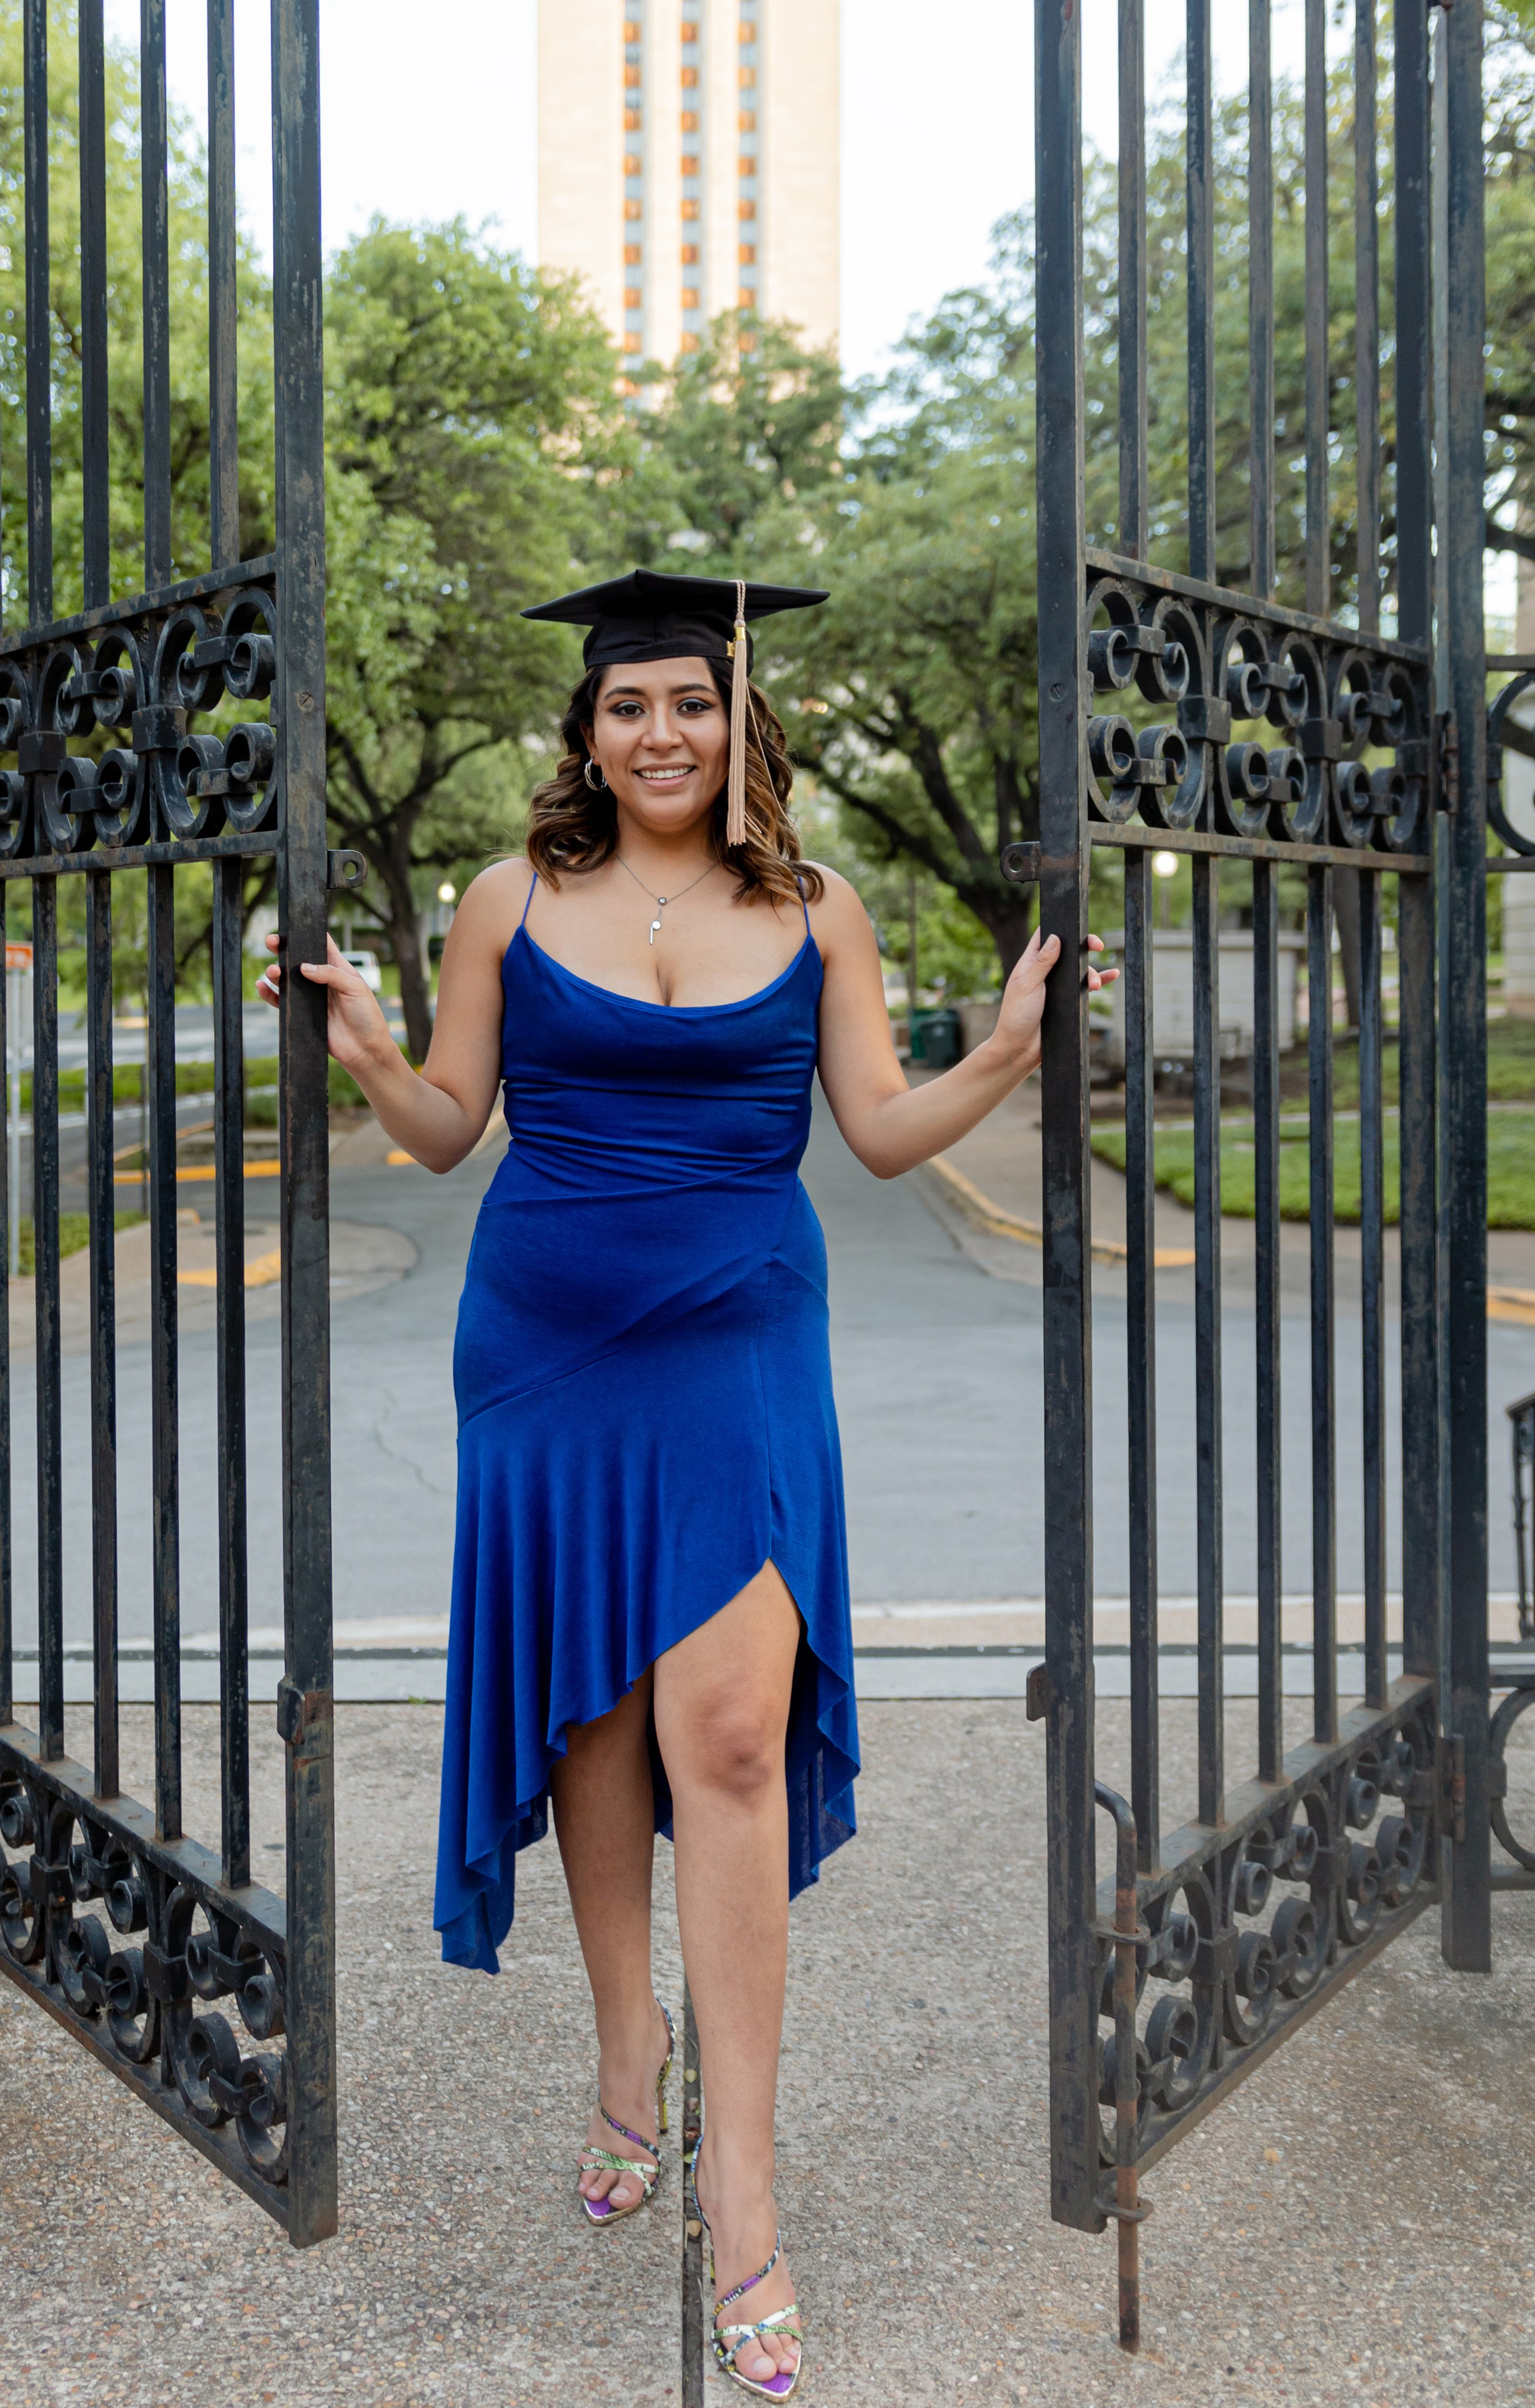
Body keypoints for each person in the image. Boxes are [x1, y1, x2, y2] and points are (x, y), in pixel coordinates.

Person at [259, 569, 1113, 2399]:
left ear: (739, 722)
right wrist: (373, 1051)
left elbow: (874, 1133)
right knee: (589, 1716)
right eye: (631, 703)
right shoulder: (506, 901)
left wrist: (1001, 1055)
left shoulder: (816, 907)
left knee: (726, 1734)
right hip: (546, 1345)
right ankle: (624, 2045)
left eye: (694, 702)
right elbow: (449, 1128)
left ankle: (745, 2189)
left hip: (741, 1332)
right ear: (587, 728)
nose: (663, 732)